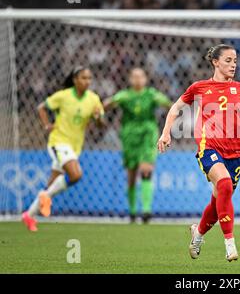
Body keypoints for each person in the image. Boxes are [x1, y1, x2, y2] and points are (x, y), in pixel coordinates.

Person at [158, 44, 240, 262]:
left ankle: (197, 234)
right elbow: (176, 108)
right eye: (228, 60)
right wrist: (165, 133)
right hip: (209, 148)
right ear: (215, 62)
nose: (233, 65)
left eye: (235, 61)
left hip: (236, 151)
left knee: (218, 203)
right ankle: (230, 244)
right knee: (224, 183)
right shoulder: (199, 87)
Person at [22, 66, 105, 232]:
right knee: (75, 175)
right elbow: (42, 107)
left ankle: (29, 216)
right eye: (83, 78)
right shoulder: (64, 96)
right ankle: (45, 197)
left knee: (52, 185)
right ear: (75, 80)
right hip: (58, 141)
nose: (87, 81)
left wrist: (97, 118)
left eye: (89, 78)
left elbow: (101, 125)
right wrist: (46, 125)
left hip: (75, 146)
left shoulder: (94, 99)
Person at [104, 68, 171, 223]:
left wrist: (174, 108)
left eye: (141, 76)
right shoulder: (125, 95)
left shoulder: (151, 94)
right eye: (134, 76)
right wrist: (101, 108)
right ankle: (133, 212)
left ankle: (146, 211)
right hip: (129, 136)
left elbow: (168, 104)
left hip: (148, 134)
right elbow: (108, 104)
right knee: (131, 175)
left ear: (146, 79)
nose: (138, 79)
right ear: (130, 79)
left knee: (146, 170)